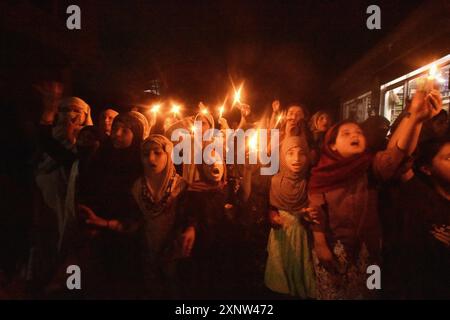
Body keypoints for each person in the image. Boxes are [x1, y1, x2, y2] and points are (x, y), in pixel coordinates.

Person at [309, 89, 442, 299]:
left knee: (371, 291)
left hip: (370, 252)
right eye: (346, 133)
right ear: (332, 145)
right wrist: (320, 244)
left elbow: (396, 154)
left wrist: (415, 119)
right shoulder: (320, 175)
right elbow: (315, 210)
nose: (355, 135)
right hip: (335, 250)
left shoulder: (370, 165)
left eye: (359, 133)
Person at [382, 137, 450, 299]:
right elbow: (396, 157)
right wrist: (414, 117)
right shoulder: (417, 196)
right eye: (448, 158)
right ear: (427, 168)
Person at [131, 135, 188, 298]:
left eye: (157, 153)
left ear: (168, 155)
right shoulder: (136, 188)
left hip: (173, 252)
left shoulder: (181, 187)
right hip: (146, 251)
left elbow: (185, 219)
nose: (151, 158)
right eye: (145, 154)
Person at [264, 136, 318, 299]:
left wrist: (308, 215)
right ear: (281, 156)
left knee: (300, 270)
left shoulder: (309, 181)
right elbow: (270, 207)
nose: (296, 158)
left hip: (302, 236)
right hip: (281, 236)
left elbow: (312, 207)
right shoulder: (275, 181)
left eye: (302, 153)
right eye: (290, 153)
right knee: (281, 273)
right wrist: (272, 216)